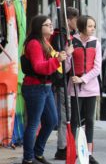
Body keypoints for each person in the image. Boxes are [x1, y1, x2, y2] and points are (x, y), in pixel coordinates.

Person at [21, 15, 73, 164]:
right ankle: (28, 158)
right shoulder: (34, 44)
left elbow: (54, 58)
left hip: (46, 86)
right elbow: (39, 66)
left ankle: (37, 153)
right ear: (39, 27)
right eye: (47, 25)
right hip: (35, 86)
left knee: (51, 121)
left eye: (51, 24)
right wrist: (58, 59)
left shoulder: (45, 42)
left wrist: (64, 54)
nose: (51, 27)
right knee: (33, 123)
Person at [65, 15, 101, 164]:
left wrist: (83, 79)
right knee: (75, 121)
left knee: (90, 121)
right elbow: (66, 68)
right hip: (75, 89)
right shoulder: (72, 42)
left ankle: (88, 153)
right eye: (90, 26)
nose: (93, 29)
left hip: (91, 88)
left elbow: (97, 68)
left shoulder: (96, 42)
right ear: (82, 27)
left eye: (94, 26)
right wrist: (68, 54)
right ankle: (74, 151)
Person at [50, 7, 79, 160]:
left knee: (70, 113)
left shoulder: (70, 35)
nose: (78, 23)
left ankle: (68, 144)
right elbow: (61, 56)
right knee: (64, 115)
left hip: (70, 79)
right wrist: (68, 51)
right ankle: (62, 147)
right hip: (62, 79)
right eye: (76, 20)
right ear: (69, 20)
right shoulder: (59, 35)